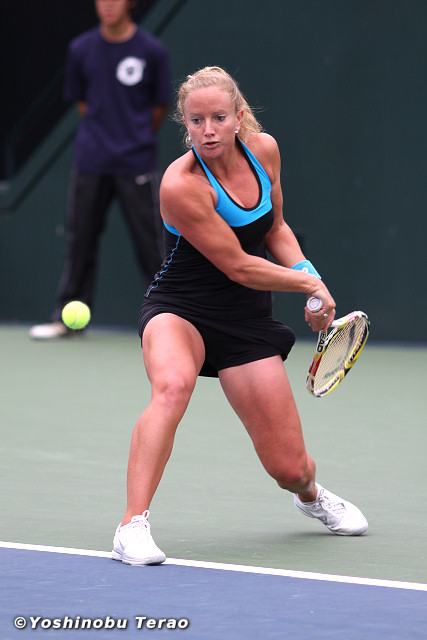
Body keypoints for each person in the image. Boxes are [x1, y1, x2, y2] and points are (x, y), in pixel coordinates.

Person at [112, 66, 368, 566]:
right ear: (185, 124)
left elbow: (275, 228)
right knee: (172, 387)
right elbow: (238, 266)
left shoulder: (264, 151)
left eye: (218, 118)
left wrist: (310, 277)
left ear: (238, 117)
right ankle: (131, 526)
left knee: (290, 468)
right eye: (196, 121)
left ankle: (310, 495)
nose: (207, 130)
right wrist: (309, 286)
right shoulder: (180, 185)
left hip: (245, 319)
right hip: (180, 308)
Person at [29, 0, 171, 339]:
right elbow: (83, 104)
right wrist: (103, 138)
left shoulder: (152, 51)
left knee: (152, 244)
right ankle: (67, 319)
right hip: (91, 161)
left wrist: (133, 137)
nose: (107, 4)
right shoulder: (80, 49)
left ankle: (169, 318)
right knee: (80, 241)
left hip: (136, 161)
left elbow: (160, 106)